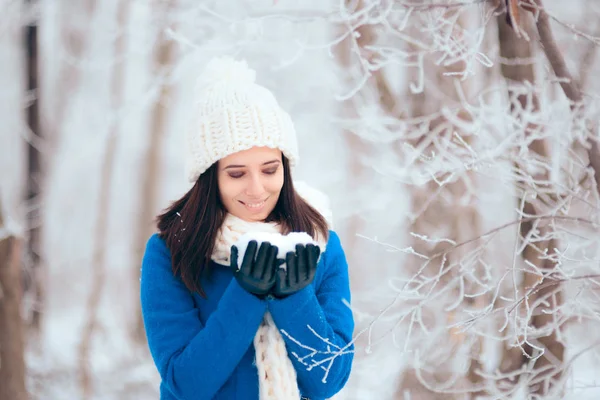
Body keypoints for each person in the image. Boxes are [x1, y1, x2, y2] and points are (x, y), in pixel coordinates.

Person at [140, 56, 354, 400]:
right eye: (237, 173)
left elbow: (330, 379)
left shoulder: (320, 245)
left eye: (270, 170)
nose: (257, 189)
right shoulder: (170, 253)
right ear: (209, 178)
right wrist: (247, 295)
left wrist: (293, 297)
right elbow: (185, 385)